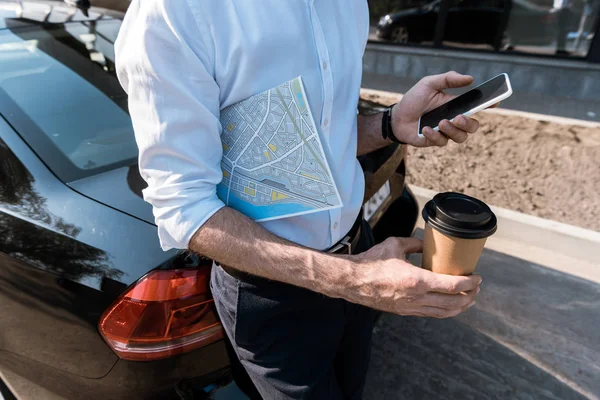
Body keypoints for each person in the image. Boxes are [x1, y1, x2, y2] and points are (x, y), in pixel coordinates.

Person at [116, 1, 484, 399]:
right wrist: (354, 280)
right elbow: (184, 207)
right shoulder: (175, 12)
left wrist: (390, 123)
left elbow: (319, 137)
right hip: (272, 295)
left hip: (360, 252)